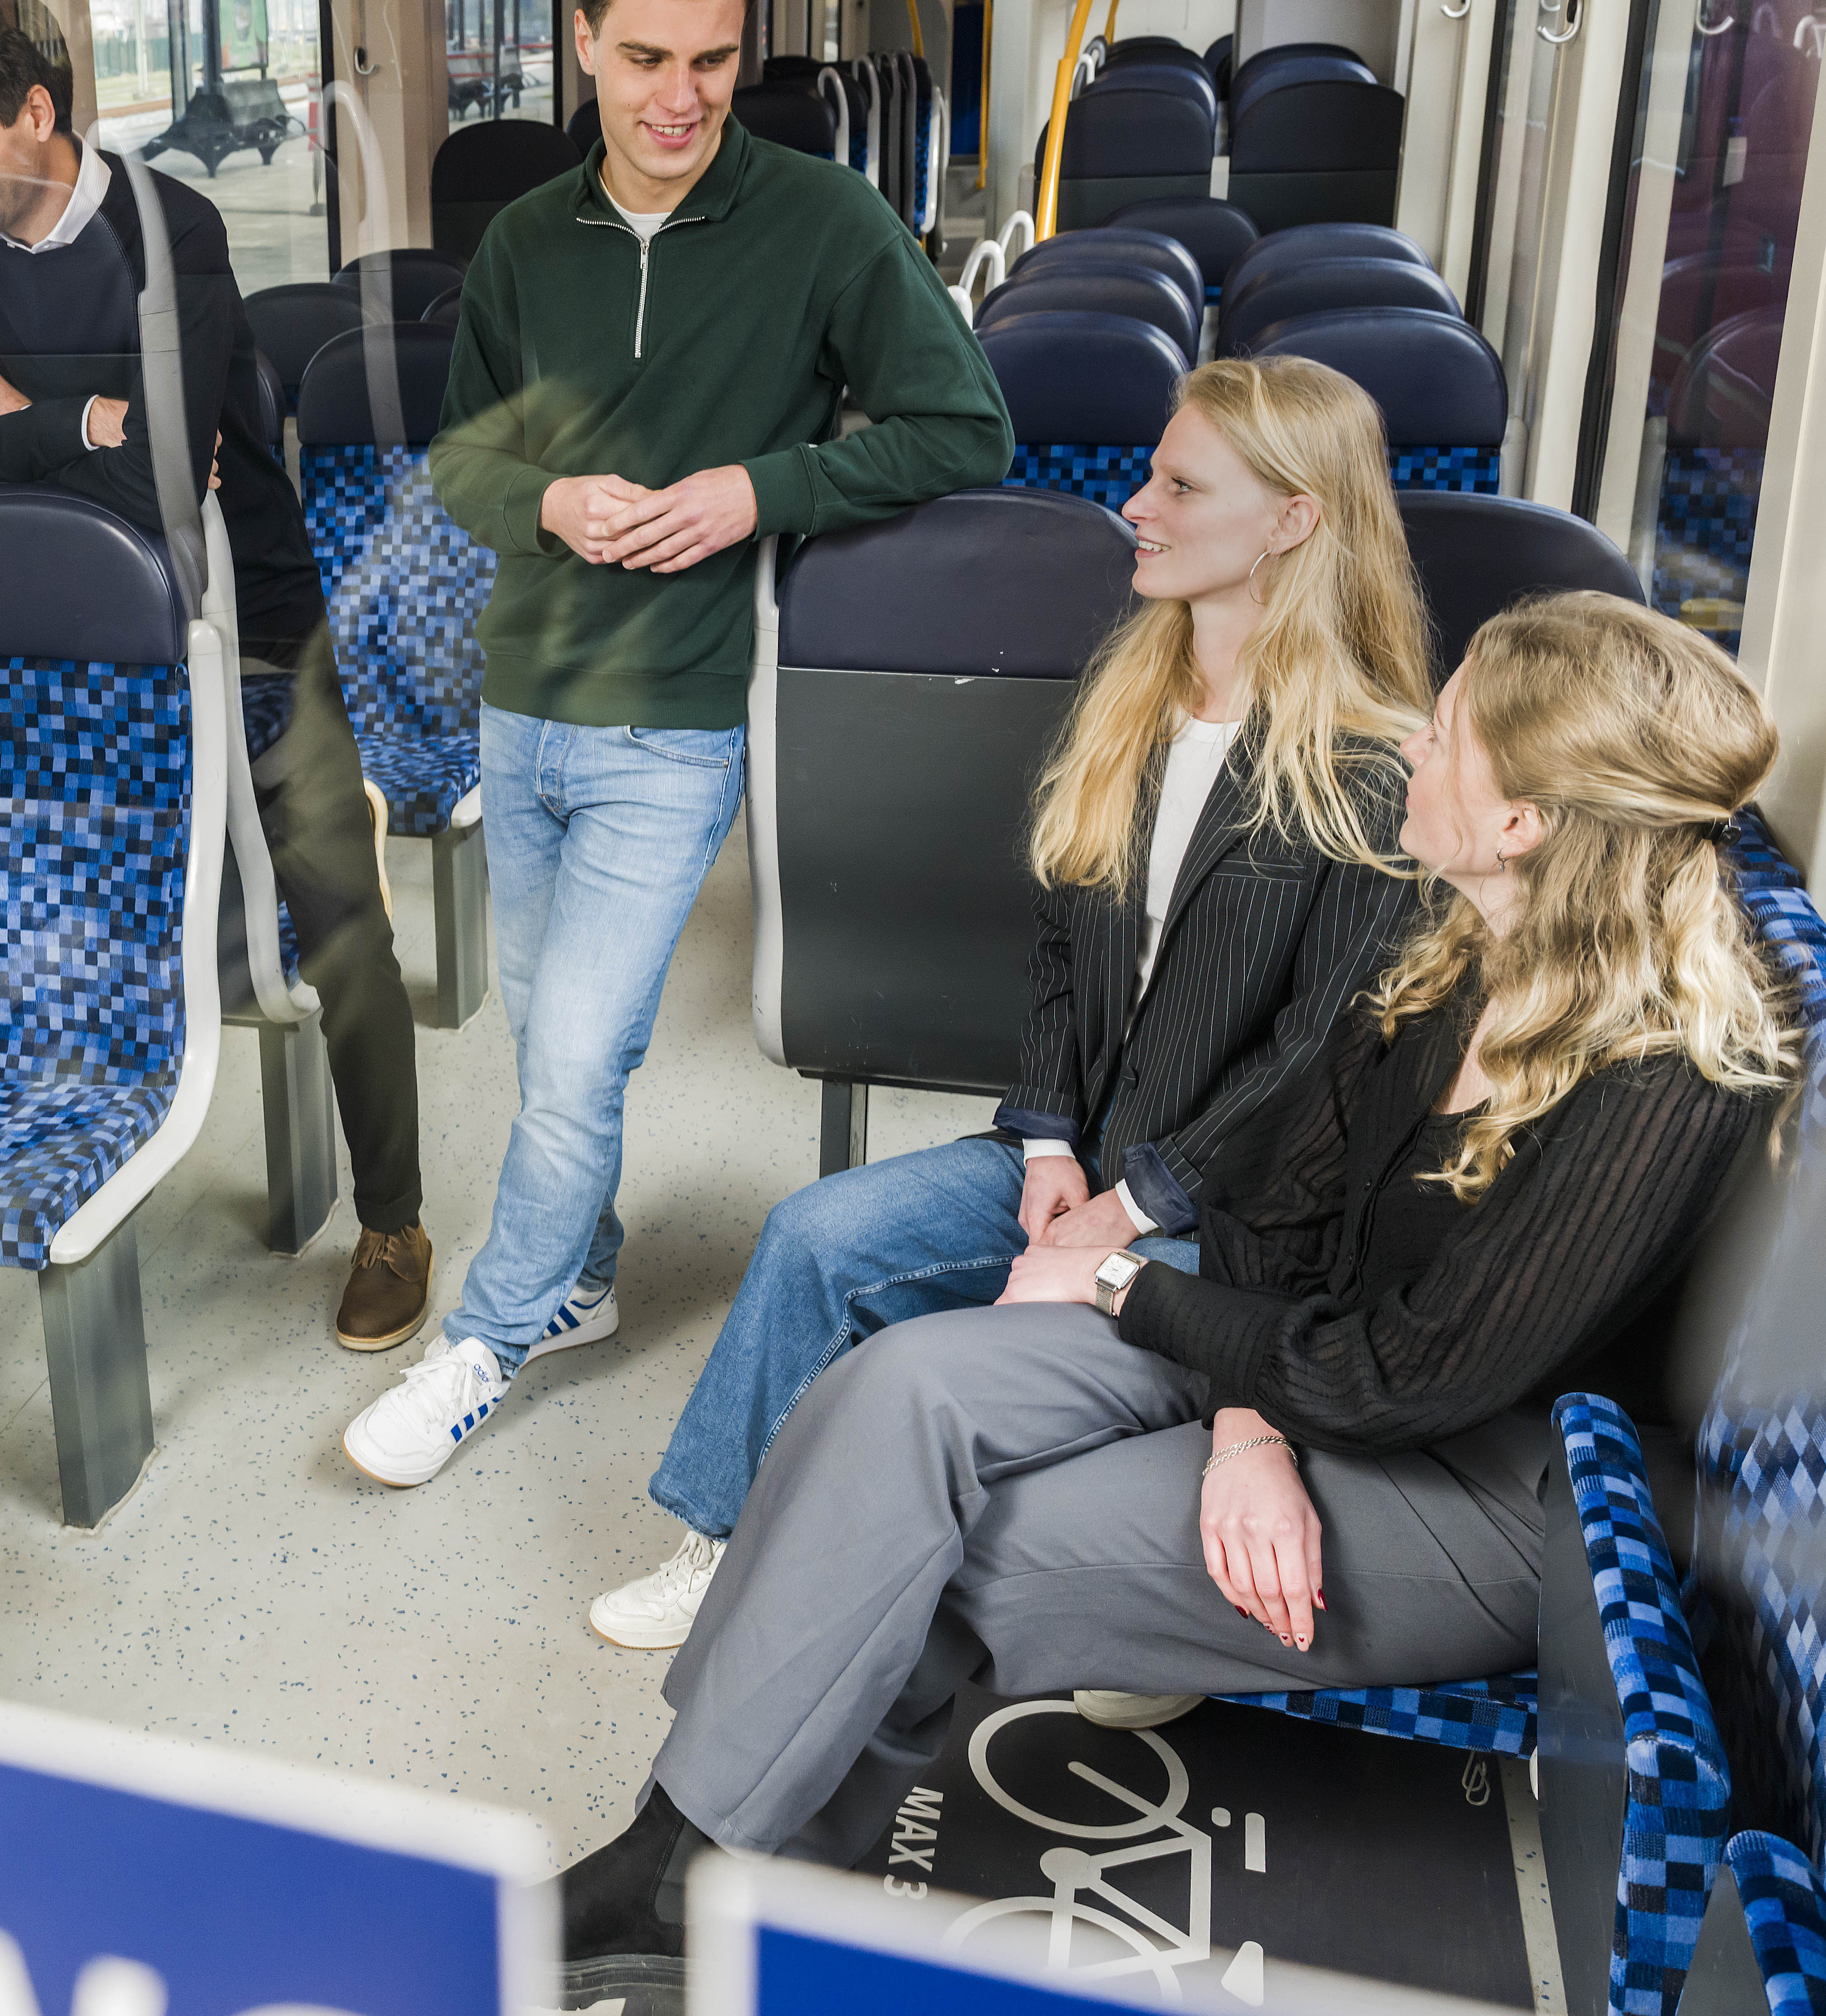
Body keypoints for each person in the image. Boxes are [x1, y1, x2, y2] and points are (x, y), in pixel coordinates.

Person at [559, 592, 1798, 1964]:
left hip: (1493, 1488)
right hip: (1301, 1355)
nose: (1410, 750)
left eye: (1442, 735)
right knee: (891, 1391)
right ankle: (675, 1852)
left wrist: (1124, 1294)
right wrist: (1244, 1427)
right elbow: (1277, 1206)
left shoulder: (1664, 1079)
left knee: (961, 1556)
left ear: (1524, 824)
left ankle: (697, 1891)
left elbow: (1407, 1382)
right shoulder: (1458, 950)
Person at [591, 356, 1434, 1649]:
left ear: (1295, 519)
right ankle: (724, 1538)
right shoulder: (1133, 698)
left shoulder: (1370, 765)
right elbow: (1059, 952)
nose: (1136, 505)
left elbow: (1316, 1056)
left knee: (993, 1360)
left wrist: (1129, 1209)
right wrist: (1045, 1138)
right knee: (817, 1238)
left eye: (1178, 484)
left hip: (1235, 1216)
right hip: (1077, 1156)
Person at [344, 0, 1013, 1487]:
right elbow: (464, 458)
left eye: (712, 60)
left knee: (576, 1054)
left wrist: (755, 492)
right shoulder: (521, 243)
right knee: (551, 1047)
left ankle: (489, 1337)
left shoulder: (825, 222)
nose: (679, 96)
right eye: (644, 55)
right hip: (526, 703)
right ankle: (581, 1280)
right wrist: (551, 504)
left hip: (680, 719)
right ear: (582, 44)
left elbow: (964, 428)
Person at [0, 0, 436, 1352]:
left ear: (36, 114)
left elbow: (170, 475)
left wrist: (37, 415)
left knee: (333, 913)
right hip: (81, 635)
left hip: (244, 617)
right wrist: (80, 417)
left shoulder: (165, 226)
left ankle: (394, 1217)